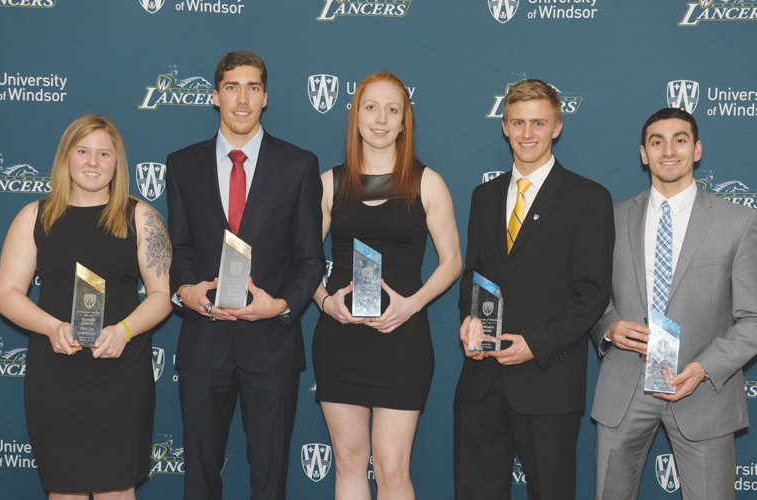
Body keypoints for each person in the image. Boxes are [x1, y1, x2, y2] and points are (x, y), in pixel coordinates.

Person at [166, 50, 324, 500]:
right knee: (198, 479)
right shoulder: (181, 165)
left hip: (271, 346)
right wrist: (185, 290)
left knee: (270, 482)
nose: (242, 97)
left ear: (265, 98)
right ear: (215, 97)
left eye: (253, 87)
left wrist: (280, 305)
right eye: (232, 87)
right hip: (203, 343)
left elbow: (310, 258)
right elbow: (178, 249)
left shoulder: (298, 165)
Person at [0, 114, 172, 500]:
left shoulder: (141, 217)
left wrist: (124, 331)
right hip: (56, 374)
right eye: (83, 151)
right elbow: (7, 292)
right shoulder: (34, 216)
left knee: (118, 493)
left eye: (104, 153)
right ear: (66, 158)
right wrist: (50, 326)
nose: (93, 162)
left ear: (117, 162)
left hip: (122, 374)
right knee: (65, 492)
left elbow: (162, 294)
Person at [453, 79, 615, 500]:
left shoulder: (588, 198)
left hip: (548, 381)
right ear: (504, 126)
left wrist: (535, 345)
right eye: (518, 122)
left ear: (557, 127)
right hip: (481, 381)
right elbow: (473, 273)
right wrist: (469, 320)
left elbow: (592, 294)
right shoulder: (484, 196)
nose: (528, 133)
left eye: (539, 123)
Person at [590, 107, 757, 500]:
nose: (669, 150)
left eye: (680, 139)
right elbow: (593, 299)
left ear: (696, 150)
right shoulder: (611, 219)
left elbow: (752, 319)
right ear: (643, 154)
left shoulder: (738, 222)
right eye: (657, 141)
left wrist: (702, 369)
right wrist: (609, 327)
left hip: (704, 393)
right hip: (624, 389)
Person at [312, 71, 462, 499]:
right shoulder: (329, 184)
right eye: (371, 107)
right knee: (347, 461)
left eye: (392, 110)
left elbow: (452, 261)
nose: (381, 119)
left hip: (402, 340)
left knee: (393, 467)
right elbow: (302, 262)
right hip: (341, 339)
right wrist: (325, 303)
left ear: (404, 122)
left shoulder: (426, 183)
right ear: (356, 115)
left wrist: (412, 305)